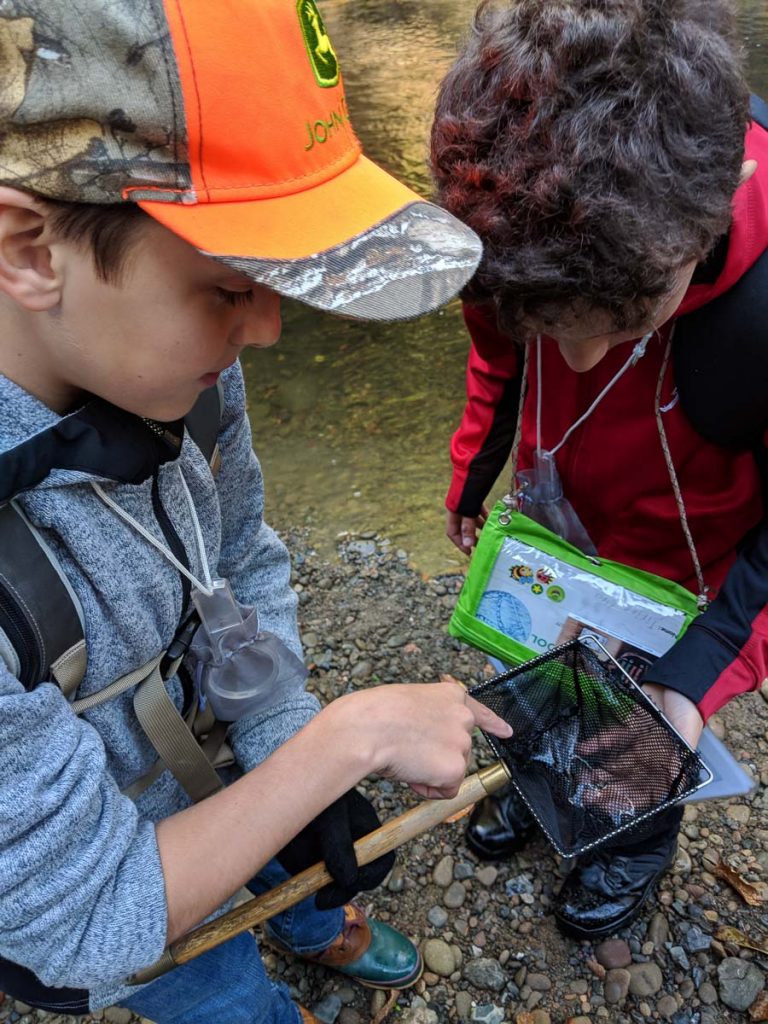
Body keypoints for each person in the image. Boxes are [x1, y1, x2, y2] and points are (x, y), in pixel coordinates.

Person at [0, 2, 515, 1022]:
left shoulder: (178, 374)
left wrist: (285, 744)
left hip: (214, 744)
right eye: (232, 284)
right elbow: (86, 921)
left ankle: (311, 918)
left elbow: (240, 552)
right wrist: (345, 741)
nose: (272, 327)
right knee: (223, 989)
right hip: (113, 876)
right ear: (28, 247)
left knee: (312, 850)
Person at [430, 0, 768, 940]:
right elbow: (498, 357)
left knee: (649, 717)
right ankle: (544, 781)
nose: (573, 362)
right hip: (557, 515)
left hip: (687, 555)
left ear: (718, 204)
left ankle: (628, 842)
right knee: (548, 661)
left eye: (618, 322)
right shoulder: (505, 209)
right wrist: (476, 472)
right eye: (548, 325)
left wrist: (700, 671)